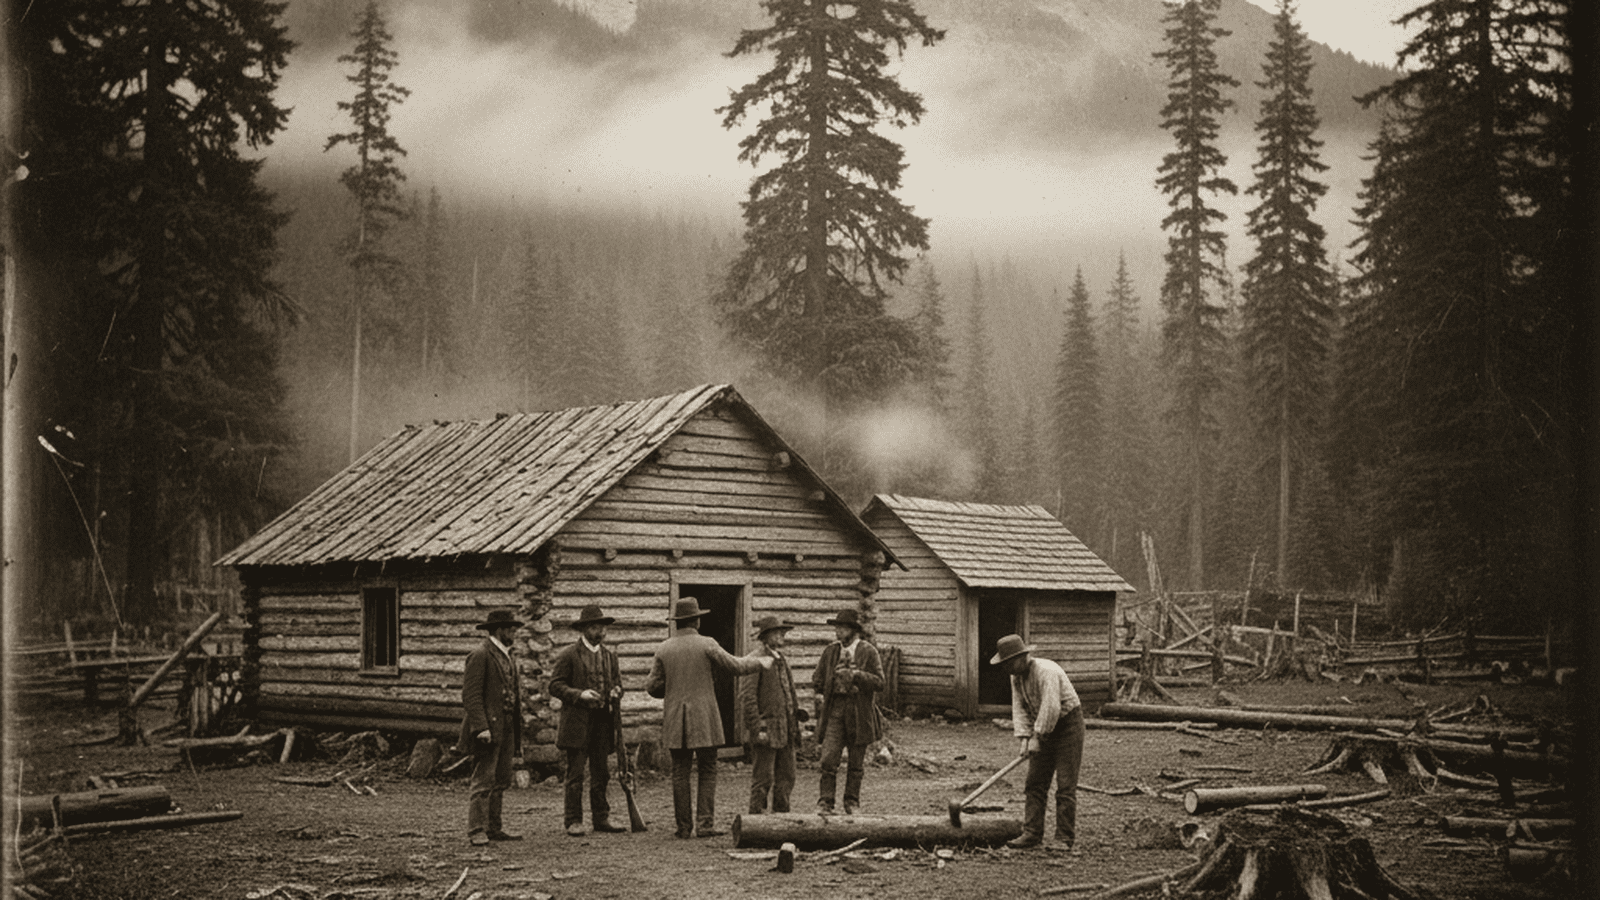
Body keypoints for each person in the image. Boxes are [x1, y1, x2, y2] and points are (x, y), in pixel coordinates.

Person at [646, 597, 771, 838]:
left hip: (674, 720)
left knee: (680, 772)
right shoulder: (707, 644)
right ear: (696, 621)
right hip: (704, 718)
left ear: (678, 622)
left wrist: (672, 689)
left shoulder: (664, 648)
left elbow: (651, 687)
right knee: (708, 769)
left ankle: (683, 828)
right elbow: (735, 666)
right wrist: (760, 662)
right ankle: (705, 825)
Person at [992, 633, 1084, 850]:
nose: (1007, 668)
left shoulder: (1046, 671)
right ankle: (1032, 833)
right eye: (1004, 664)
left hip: (1068, 726)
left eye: (1009, 663)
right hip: (1040, 728)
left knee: (1065, 785)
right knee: (1035, 783)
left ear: (1022, 657)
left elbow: (1051, 708)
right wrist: (1024, 738)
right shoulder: (1015, 676)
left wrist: (1037, 737)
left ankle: (1064, 838)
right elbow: (1020, 708)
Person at [549, 604, 626, 837]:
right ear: (584, 630)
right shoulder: (569, 655)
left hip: (603, 721)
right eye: (595, 627)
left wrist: (616, 691)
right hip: (578, 722)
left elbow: (618, 684)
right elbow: (555, 686)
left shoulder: (610, 656)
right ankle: (573, 820)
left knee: (601, 772)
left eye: (602, 627)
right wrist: (579, 694)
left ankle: (601, 818)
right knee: (576, 774)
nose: (600, 632)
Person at [459, 609, 525, 846]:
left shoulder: (508, 656)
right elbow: (471, 695)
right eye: (510, 629)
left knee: (501, 779)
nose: (514, 633)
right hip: (489, 729)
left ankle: (493, 827)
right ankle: (476, 829)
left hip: (507, 727)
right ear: (498, 630)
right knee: (483, 780)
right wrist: (481, 727)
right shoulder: (480, 655)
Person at [812, 607, 883, 815]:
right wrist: (824, 689)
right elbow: (817, 679)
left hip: (859, 712)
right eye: (837, 628)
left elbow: (880, 683)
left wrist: (857, 675)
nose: (838, 633)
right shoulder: (830, 651)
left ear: (853, 630)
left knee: (856, 762)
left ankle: (852, 802)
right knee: (828, 759)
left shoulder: (868, 651)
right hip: (835, 710)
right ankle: (826, 803)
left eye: (842, 628)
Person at [738, 615, 806, 814]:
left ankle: (781, 818)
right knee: (763, 777)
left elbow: (788, 692)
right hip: (766, 728)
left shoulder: (781, 659)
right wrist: (756, 728)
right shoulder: (756, 659)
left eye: (782, 633)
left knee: (787, 776)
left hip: (786, 728)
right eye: (777, 633)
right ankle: (756, 820)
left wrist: (795, 715)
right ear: (765, 636)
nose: (781, 636)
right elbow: (747, 697)